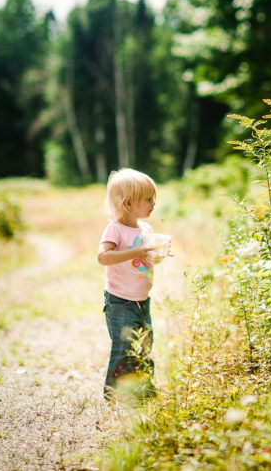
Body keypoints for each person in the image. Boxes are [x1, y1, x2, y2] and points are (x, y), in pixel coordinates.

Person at [98, 168, 165, 400]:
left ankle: (142, 389)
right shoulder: (114, 229)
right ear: (128, 203)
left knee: (144, 345)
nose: (153, 203)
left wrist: (156, 256)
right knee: (123, 347)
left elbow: (144, 259)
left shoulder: (146, 229)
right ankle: (113, 394)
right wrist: (133, 252)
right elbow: (103, 257)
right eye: (148, 199)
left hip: (141, 300)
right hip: (120, 302)